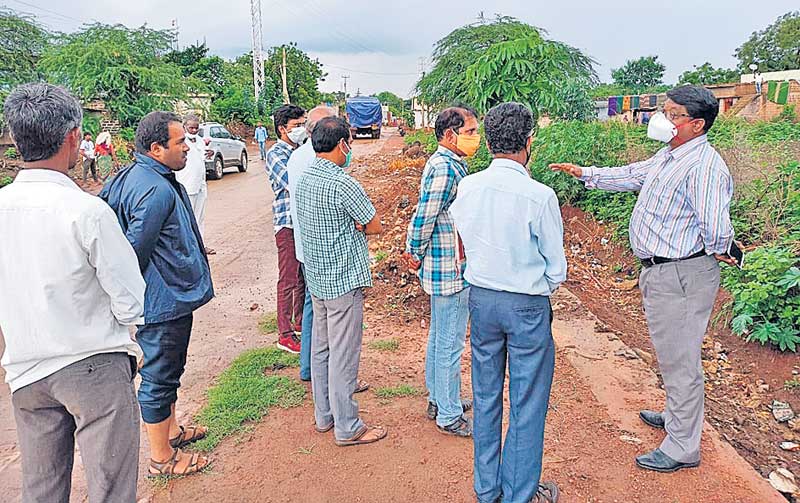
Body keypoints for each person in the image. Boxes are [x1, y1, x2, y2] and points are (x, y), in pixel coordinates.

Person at [550, 85, 735, 473]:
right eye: (664, 110)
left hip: (681, 271)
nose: (663, 119)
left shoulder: (703, 166)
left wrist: (721, 248)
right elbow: (634, 174)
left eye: (673, 114)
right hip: (662, 270)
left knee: (681, 356)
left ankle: (683, 445)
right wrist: (587, 174)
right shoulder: (671, 156)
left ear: (697, 124)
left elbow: (716, 228)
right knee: (670, 350)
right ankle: (675, 416)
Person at [0, 83, 145, 502]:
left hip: (27, 372)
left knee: (41, 489)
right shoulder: (88, 211)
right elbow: (130, 300)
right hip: (93, 366)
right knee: (111, 487)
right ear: (73, 139)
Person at [450, 102, 565, 503]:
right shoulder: (540, 196)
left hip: (481, 301)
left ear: (489, 143)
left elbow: (462, 236)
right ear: (528, 141)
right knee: (527, 401)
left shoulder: (468, 186)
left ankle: (487, 489)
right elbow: (556, 267)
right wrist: (536, 284)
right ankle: (518, 493)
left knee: (485, 396)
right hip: (526, 306)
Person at [100, 111, 215, 478]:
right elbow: (131, 254)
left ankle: (173, 431)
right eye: (180, 142)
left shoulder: (143, 177)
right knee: (159, 377)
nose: (187, 148)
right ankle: (161, 458)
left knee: (170, 371)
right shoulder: (153, 189)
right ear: (155, 148)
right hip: (162, 303)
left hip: (168, 299)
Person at [295, 116, 386, 447]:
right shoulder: (343, 183)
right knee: (344, 355)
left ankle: (325, 416)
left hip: (317, 277)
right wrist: (358, 226)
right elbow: (374, 224)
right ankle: (348, 426)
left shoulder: (305, 179)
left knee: (322, 348)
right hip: (343, 279)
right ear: (342, 145)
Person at [402, 106, 480, 437]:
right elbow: (424, 215)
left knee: (440, 336)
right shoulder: (445, 168)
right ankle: (448, 414)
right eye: (471, 132)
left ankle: (439, 398)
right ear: (450, 135)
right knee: (450, 343)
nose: (476, 138)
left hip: (445, 263)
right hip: (448, 267)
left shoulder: (449, 164)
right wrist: (413, 251)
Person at [266, 104, 307, 354]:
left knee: (302, 277)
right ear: (283, 129)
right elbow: (295, 182)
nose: (301, 130)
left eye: (303, 124)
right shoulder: (277, 153)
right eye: (296, 126)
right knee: (288, 278)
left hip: (302, 223)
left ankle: (300, 322)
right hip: (287, 223)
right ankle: (284, 333)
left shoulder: (301, 150)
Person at [176, 114, 215, 255]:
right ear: (184, 126)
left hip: (200, 184)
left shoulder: (199, 140)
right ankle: (188, 247)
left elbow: (201, 157)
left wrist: (208, 154)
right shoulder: (180, 141)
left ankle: (200, 245)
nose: (193, 130)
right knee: (187, 218)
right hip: (187, 184)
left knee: (200, 216)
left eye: (196, 128)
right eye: (191, 127)